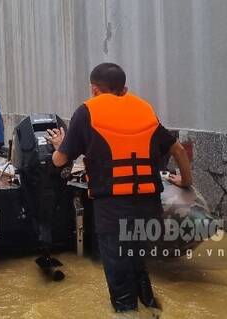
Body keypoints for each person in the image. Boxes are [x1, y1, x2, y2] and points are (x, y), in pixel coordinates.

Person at [46, 63, 192, 312]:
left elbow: (60, 161)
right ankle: (153, 309)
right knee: (138, 266)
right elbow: (177, 149)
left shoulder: (87, 111)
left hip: (114, 210)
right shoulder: (144, 109)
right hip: (149, 208)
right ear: (124, 89)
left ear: (94, 89)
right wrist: (186, 182)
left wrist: (59, 144)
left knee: (121, 285)